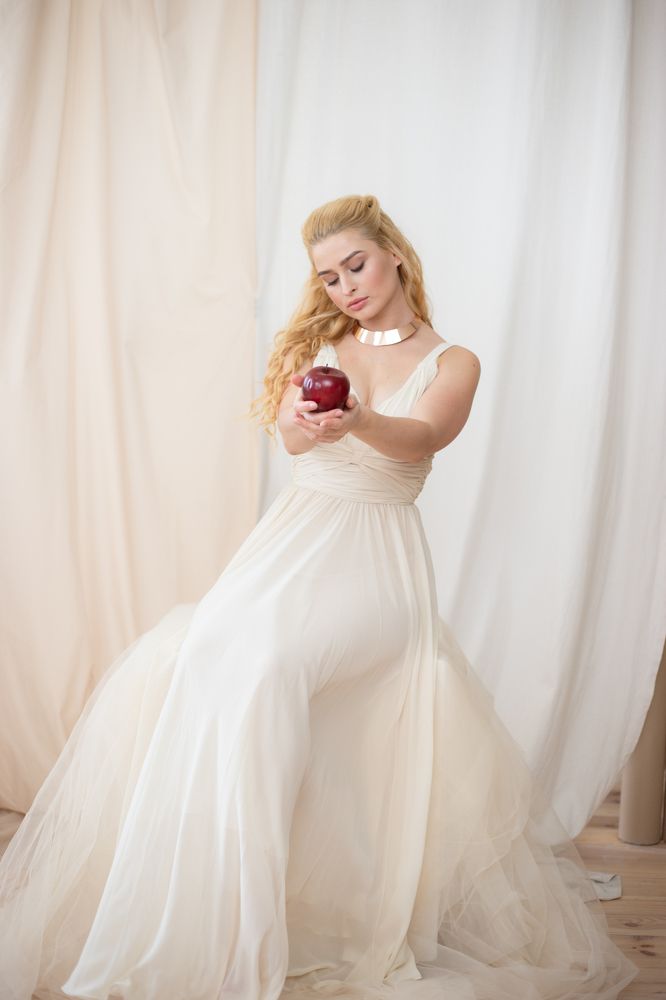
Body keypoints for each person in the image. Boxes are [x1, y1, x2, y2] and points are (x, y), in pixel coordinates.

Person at [0, 194, 639, 1000]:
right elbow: (292, 437)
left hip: (376, 559)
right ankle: (214, 908)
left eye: (356, 265)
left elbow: (426, 437)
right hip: (290, 545)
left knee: (267, 664)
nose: (345, 287)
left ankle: (249, 939)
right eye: (329, 277)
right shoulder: (319, 347)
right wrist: (309, 420)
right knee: (203, 651)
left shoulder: (454, 361)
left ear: (394, 254)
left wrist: (361, 419)